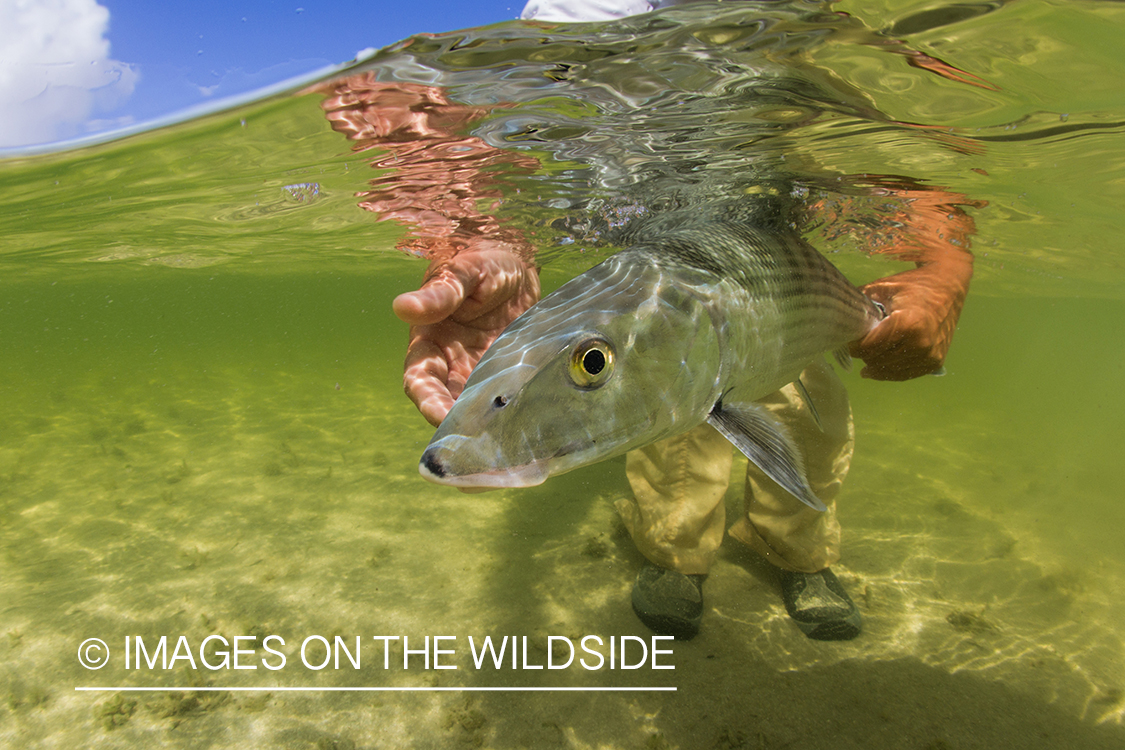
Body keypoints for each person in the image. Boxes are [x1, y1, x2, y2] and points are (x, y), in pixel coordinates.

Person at [319, 0, 981, 641]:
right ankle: (676, 559)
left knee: (810, 422)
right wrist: (478, 233)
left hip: (777, 283)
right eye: (589, 364)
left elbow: (937, 144)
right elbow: (504, 87)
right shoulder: (582, 11)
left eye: (590, 364)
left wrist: (942, 264)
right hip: (679, 288)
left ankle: (798, 555)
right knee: (677, 439)